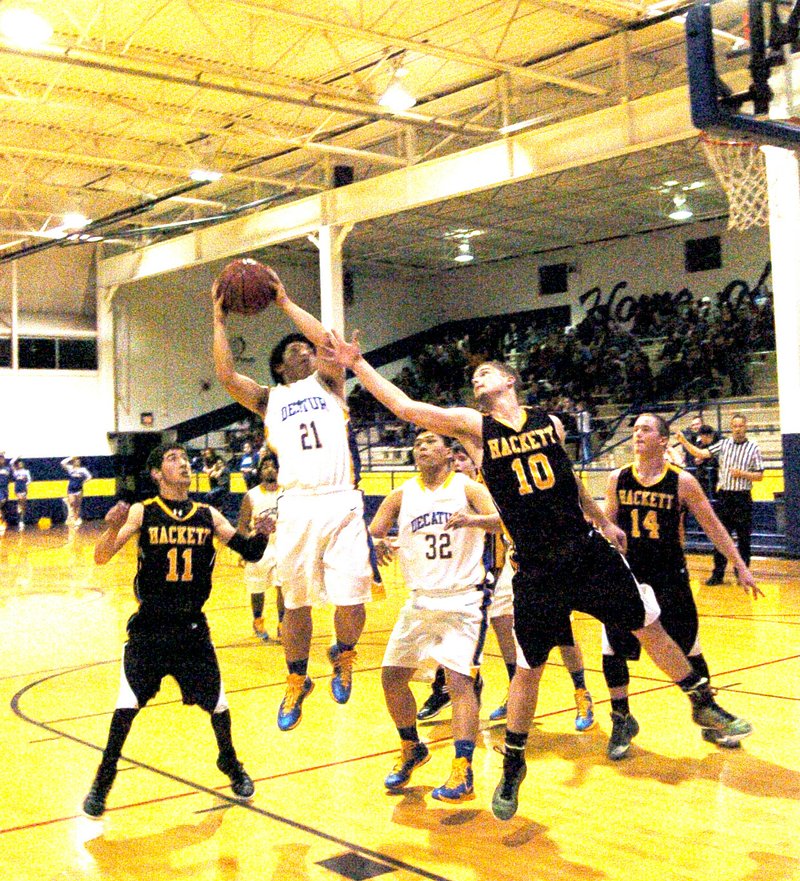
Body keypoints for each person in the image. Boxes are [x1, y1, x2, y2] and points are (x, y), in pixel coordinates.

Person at [324, 336, 752, 822]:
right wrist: (358, 363)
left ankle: (701, 702)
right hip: (536, 565)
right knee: (529, 669)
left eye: (485, 373)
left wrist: (602, 519)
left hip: (585, 550)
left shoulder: (550, 422)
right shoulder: (473, 427)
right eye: (473, 377)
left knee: (648, 624)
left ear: (509, 379)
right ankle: (514, 762)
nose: (476, 379)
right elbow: (405, 405)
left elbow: (568, 482)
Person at [212, 274, 373, 732]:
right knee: (297, 604)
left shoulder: (331, 384)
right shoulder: (270, 399)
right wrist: (218, 317)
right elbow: (225, 375)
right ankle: (296, 678)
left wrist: (283, 299)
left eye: (307, 349)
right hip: (297, 505)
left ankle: (343, 654)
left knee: (354, 595)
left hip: (341, 500)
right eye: (294, 352)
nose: (306, 351)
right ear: (280, 368)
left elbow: (328, 339)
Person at [81, 443, 273, 818]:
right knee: (125, 709)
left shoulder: (208, 514)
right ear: (156, 473)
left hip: (191, 628)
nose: (184, 464)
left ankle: (230, 763)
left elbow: (250, 553)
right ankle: (103, 780)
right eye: (173, 459)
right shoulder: (144, 511)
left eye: (186, 459)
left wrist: (263, 535)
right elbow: (102, 556)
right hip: (150, 627)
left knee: (219, 705)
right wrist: (110, 527)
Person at [603, 413, 762, 760]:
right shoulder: (617, 478)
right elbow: (607, 526)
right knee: (614, 649)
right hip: (629, 575)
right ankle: (621, 719)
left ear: (663, 441)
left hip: (669, 575)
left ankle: (710, 717)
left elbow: (714, 526)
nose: (637, 434)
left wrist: (739, 564)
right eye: (635, 430)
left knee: (690, 649)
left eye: (645, 429)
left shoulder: (683, 481)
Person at [418, 443, 596, 734]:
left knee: (561, 630)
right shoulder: (459, 488)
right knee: (502, 630)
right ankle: (510, 695)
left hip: (539, 559)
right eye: (457, 458)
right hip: (494, 571)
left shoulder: (500, 479)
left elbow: (510, 520)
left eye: (465, 457)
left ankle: (582, 693)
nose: (461, 462)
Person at [370, 430, 500, 803]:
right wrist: (379, 544)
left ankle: (462, 769)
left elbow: (505, 518)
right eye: (417, 444)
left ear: (448, 451)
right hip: (420, 601)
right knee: (392, 678)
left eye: (430, 442)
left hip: (463, 600)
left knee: (460, 684)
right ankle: (412, 747)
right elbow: (374, 530)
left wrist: (473, 522)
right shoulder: (402, 494)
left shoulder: (467, 487)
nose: (422, 447)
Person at [676, 414, 764, 585]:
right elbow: (701, 452)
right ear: (731, 427)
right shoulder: (724, 444)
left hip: (743, 497)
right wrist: (684, 442)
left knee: (744, 539)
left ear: (745, 427)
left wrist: (742, 474)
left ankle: (742, 574)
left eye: (740, 426)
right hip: (725, 496)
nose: (738, 429)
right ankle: (718, 574)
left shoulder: (753, 448)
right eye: (735, 426)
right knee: (720, 537)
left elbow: (760, 475)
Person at [235, 453, 284, 641]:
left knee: (282, 588)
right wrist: (244, 548)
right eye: (265, 466)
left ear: (279, 470)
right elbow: (241, 525)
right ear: (260, 471)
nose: (269, 469)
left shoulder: (287, 492)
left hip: (281, 547)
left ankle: (282, 624)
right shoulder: (252, 495)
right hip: (259, 548)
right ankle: (258, 620)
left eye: (273, 465)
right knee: (257, 589)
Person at [61, 456, 92, 526]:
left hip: (79, 489)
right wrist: (71, 457)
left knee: (77, 505)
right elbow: (62, 463)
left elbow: (89, 477)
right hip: (71, 489)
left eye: (78, 461)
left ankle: (76, 519)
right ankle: (71, 518)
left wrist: (84, 481)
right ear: (73, 462)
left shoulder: (82, 470)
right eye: (75, 461)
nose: (77, 462)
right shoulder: (70, 468)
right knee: (72, 503)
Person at [12, 458, 32, 530]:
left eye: (21, 463)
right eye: (19, 464)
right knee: (19, 502)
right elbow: (11, 463)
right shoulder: (15, 472)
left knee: (23, 504)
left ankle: (22, 519)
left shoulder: (26, 471)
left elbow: (29, 480)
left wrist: (25, 484)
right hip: (17, 488)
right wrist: (17, 457)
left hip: (23, 487)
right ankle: (20, 520)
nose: (20, 465)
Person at [0, 452, 12, 534]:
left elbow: (10, 478)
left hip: (5, 488)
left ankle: (2, 524)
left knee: (4, 507)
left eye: (2, 459)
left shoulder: (7, 468)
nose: (1, 460)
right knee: (1, 501)